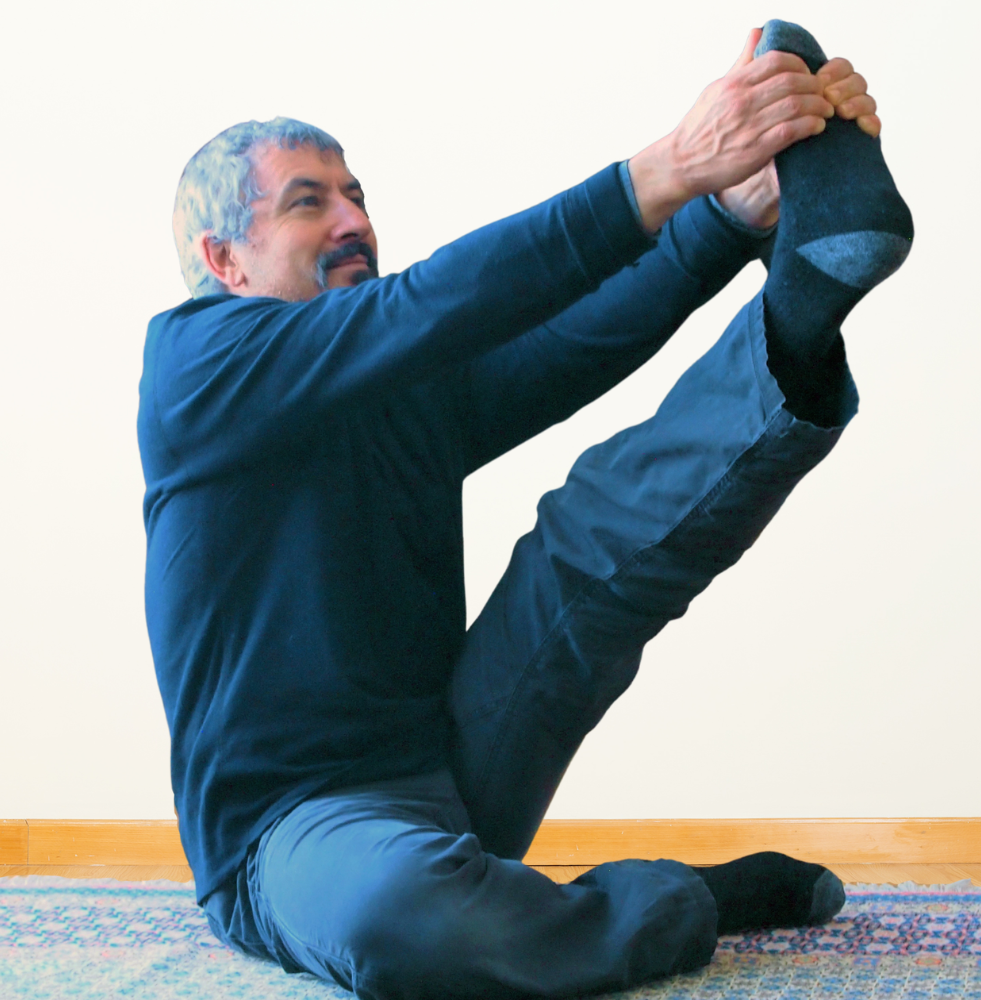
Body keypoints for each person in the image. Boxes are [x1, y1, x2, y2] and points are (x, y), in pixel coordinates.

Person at [139, 20, 911, 1000]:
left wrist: (733, 213)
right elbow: (434, 304)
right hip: (293, 840)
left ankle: (799, 314)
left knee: (594, 539)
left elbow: (566, 343)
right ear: (225, 259)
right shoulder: (195, 369)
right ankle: (685, 902)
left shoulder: (394, 383)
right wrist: (673, 165)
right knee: (398, 915)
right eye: (307, 203)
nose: (352, 221)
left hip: (451, 764)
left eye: (356, 195)